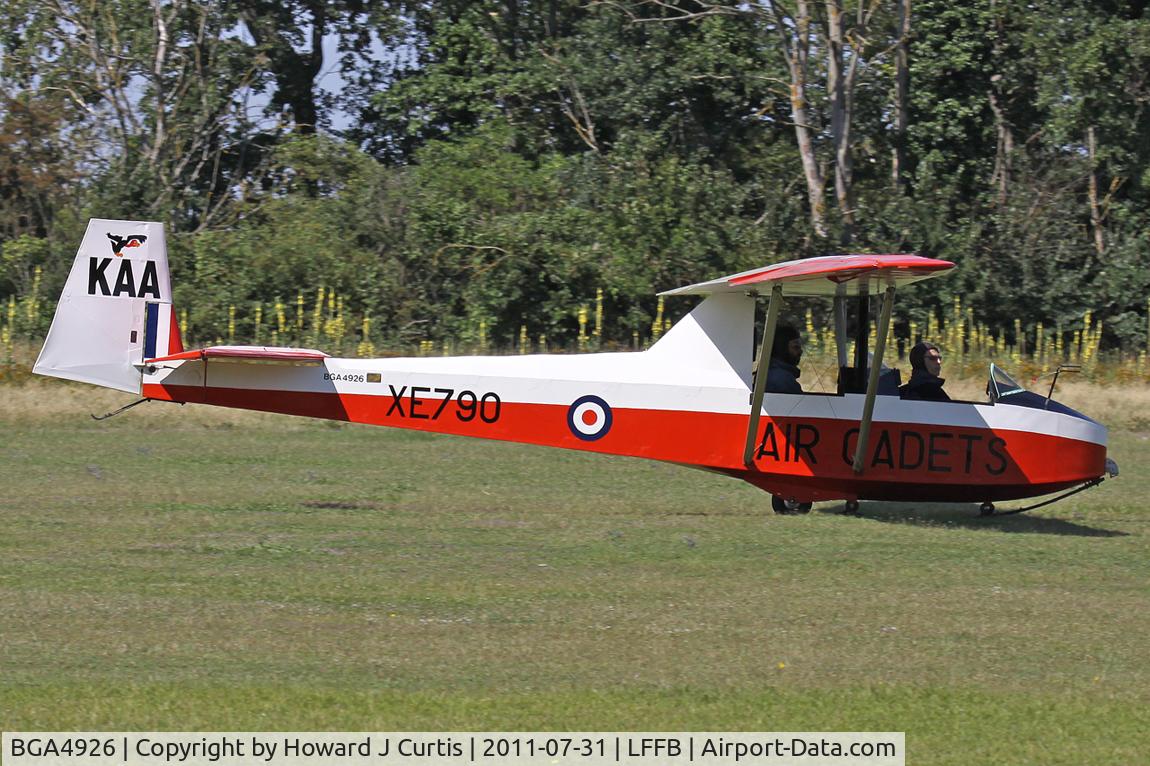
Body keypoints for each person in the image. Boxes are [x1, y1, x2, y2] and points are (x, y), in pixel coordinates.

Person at [765, 324, 803, 394]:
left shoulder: (767, 372)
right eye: (796, 347)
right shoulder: (782, 379)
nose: (800, 351)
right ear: (782, 349)